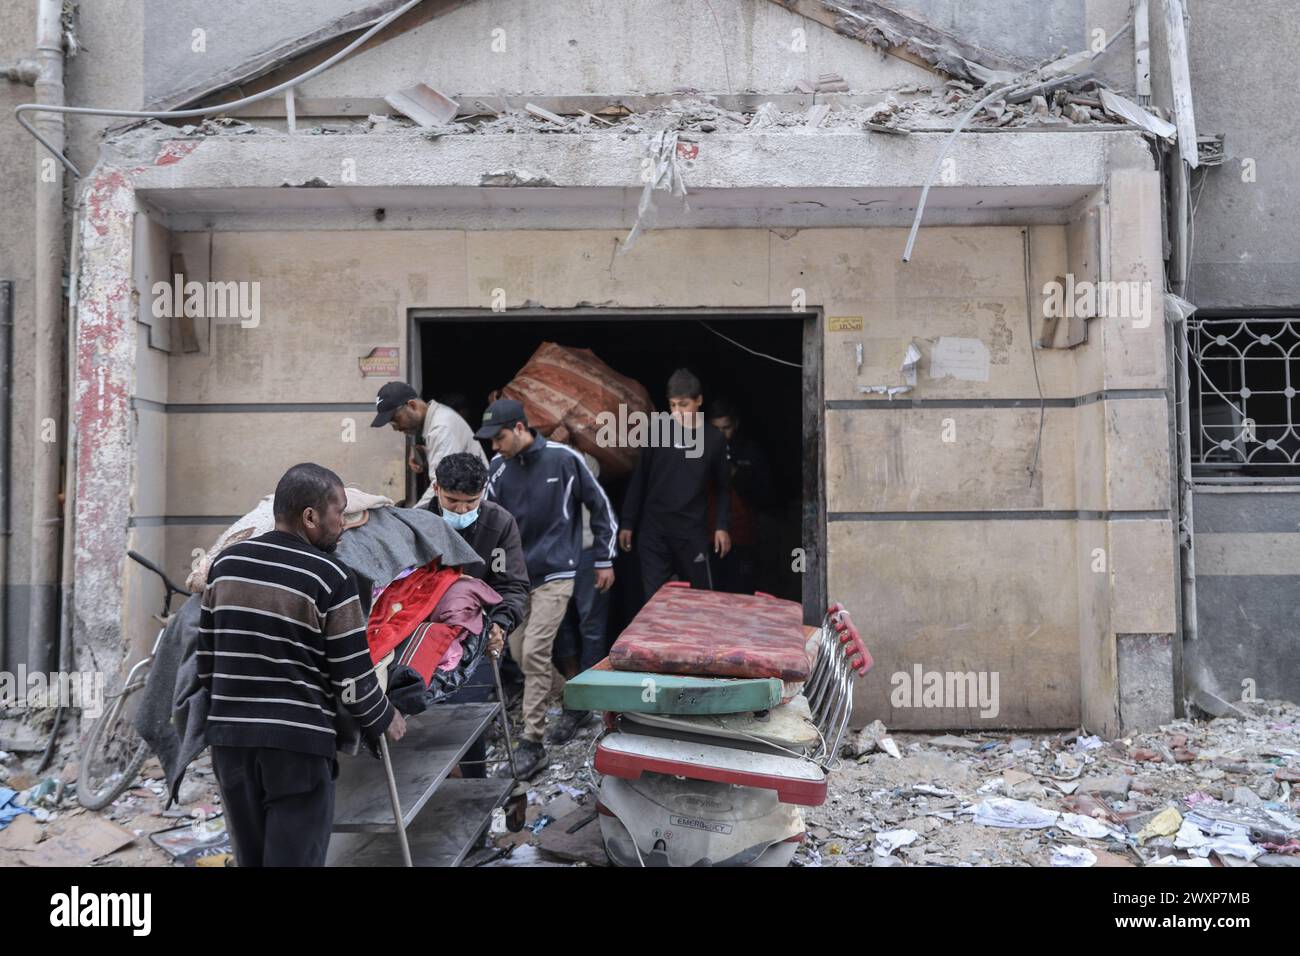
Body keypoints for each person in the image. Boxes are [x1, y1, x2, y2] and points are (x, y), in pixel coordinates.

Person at [198, 462, 406, 867]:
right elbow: (351, 676)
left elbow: (207, 663)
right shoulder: (330, 577)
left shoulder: (224, 566)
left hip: (229, 744)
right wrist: (384, 716)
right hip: (297, 749)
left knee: (251, 859)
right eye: (338, 513)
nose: (343, 525)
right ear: (310, 517)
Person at [476, 398, 617, 777]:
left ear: (520, 428)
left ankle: (531, 742)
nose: (494, 445)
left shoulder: (563, 459)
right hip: (518, 577)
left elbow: (600, 506)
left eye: (499, 437)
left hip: (559, 571)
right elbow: (487, 520)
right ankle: (577, 700)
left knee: (536, 650)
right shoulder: (498, 468)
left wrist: (604, 558)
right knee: (521, 654)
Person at [424, 451, 530, 778]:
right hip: (421, 640)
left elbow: (512, 585)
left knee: (467, 724)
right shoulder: (415, 523)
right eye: (453, 501)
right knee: (423, 730)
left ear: (483, 491)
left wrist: (499, 624)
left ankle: (471, 806)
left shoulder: (498, 523)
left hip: (476, 641)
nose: (461, 510)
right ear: (435, 487)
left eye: (471, 502)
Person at [618, 368, 731, 605]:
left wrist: (722, 526)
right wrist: (627, 522)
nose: (678, 412)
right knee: (654, 603)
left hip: (691, 533)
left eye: (684, 404)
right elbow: (640, 478)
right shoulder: (656, 431)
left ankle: (700, 643)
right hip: (654, 532)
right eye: (673, 406)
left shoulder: (713, 439)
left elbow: (723, 487)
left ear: (699, 400)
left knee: (701, 602)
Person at [370, 381, 487, 508]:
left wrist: (412, 518)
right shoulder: (434, 420)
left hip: (472, 504)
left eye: (396, 420)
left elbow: (440, 485)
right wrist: (422, 452)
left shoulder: (442, 428)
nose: (396, 428)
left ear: (412, 405)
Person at [707, 397, 774, 595]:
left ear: (735, 425)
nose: (722, 435)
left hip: (743, 540)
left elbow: (766, 497)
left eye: (726, 428)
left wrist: (737, 473)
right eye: (715, 429)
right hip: (706, 541)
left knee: (741, 600)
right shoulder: (697, 454)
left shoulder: (751, 453)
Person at [553, 452, 612, 677]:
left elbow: (591, 470)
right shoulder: (537, 458)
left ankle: (591, 679)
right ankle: (571, 676)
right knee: (559, 621)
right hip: (554, 555)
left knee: (592, 623)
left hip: (587, 550)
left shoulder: (585, 458)